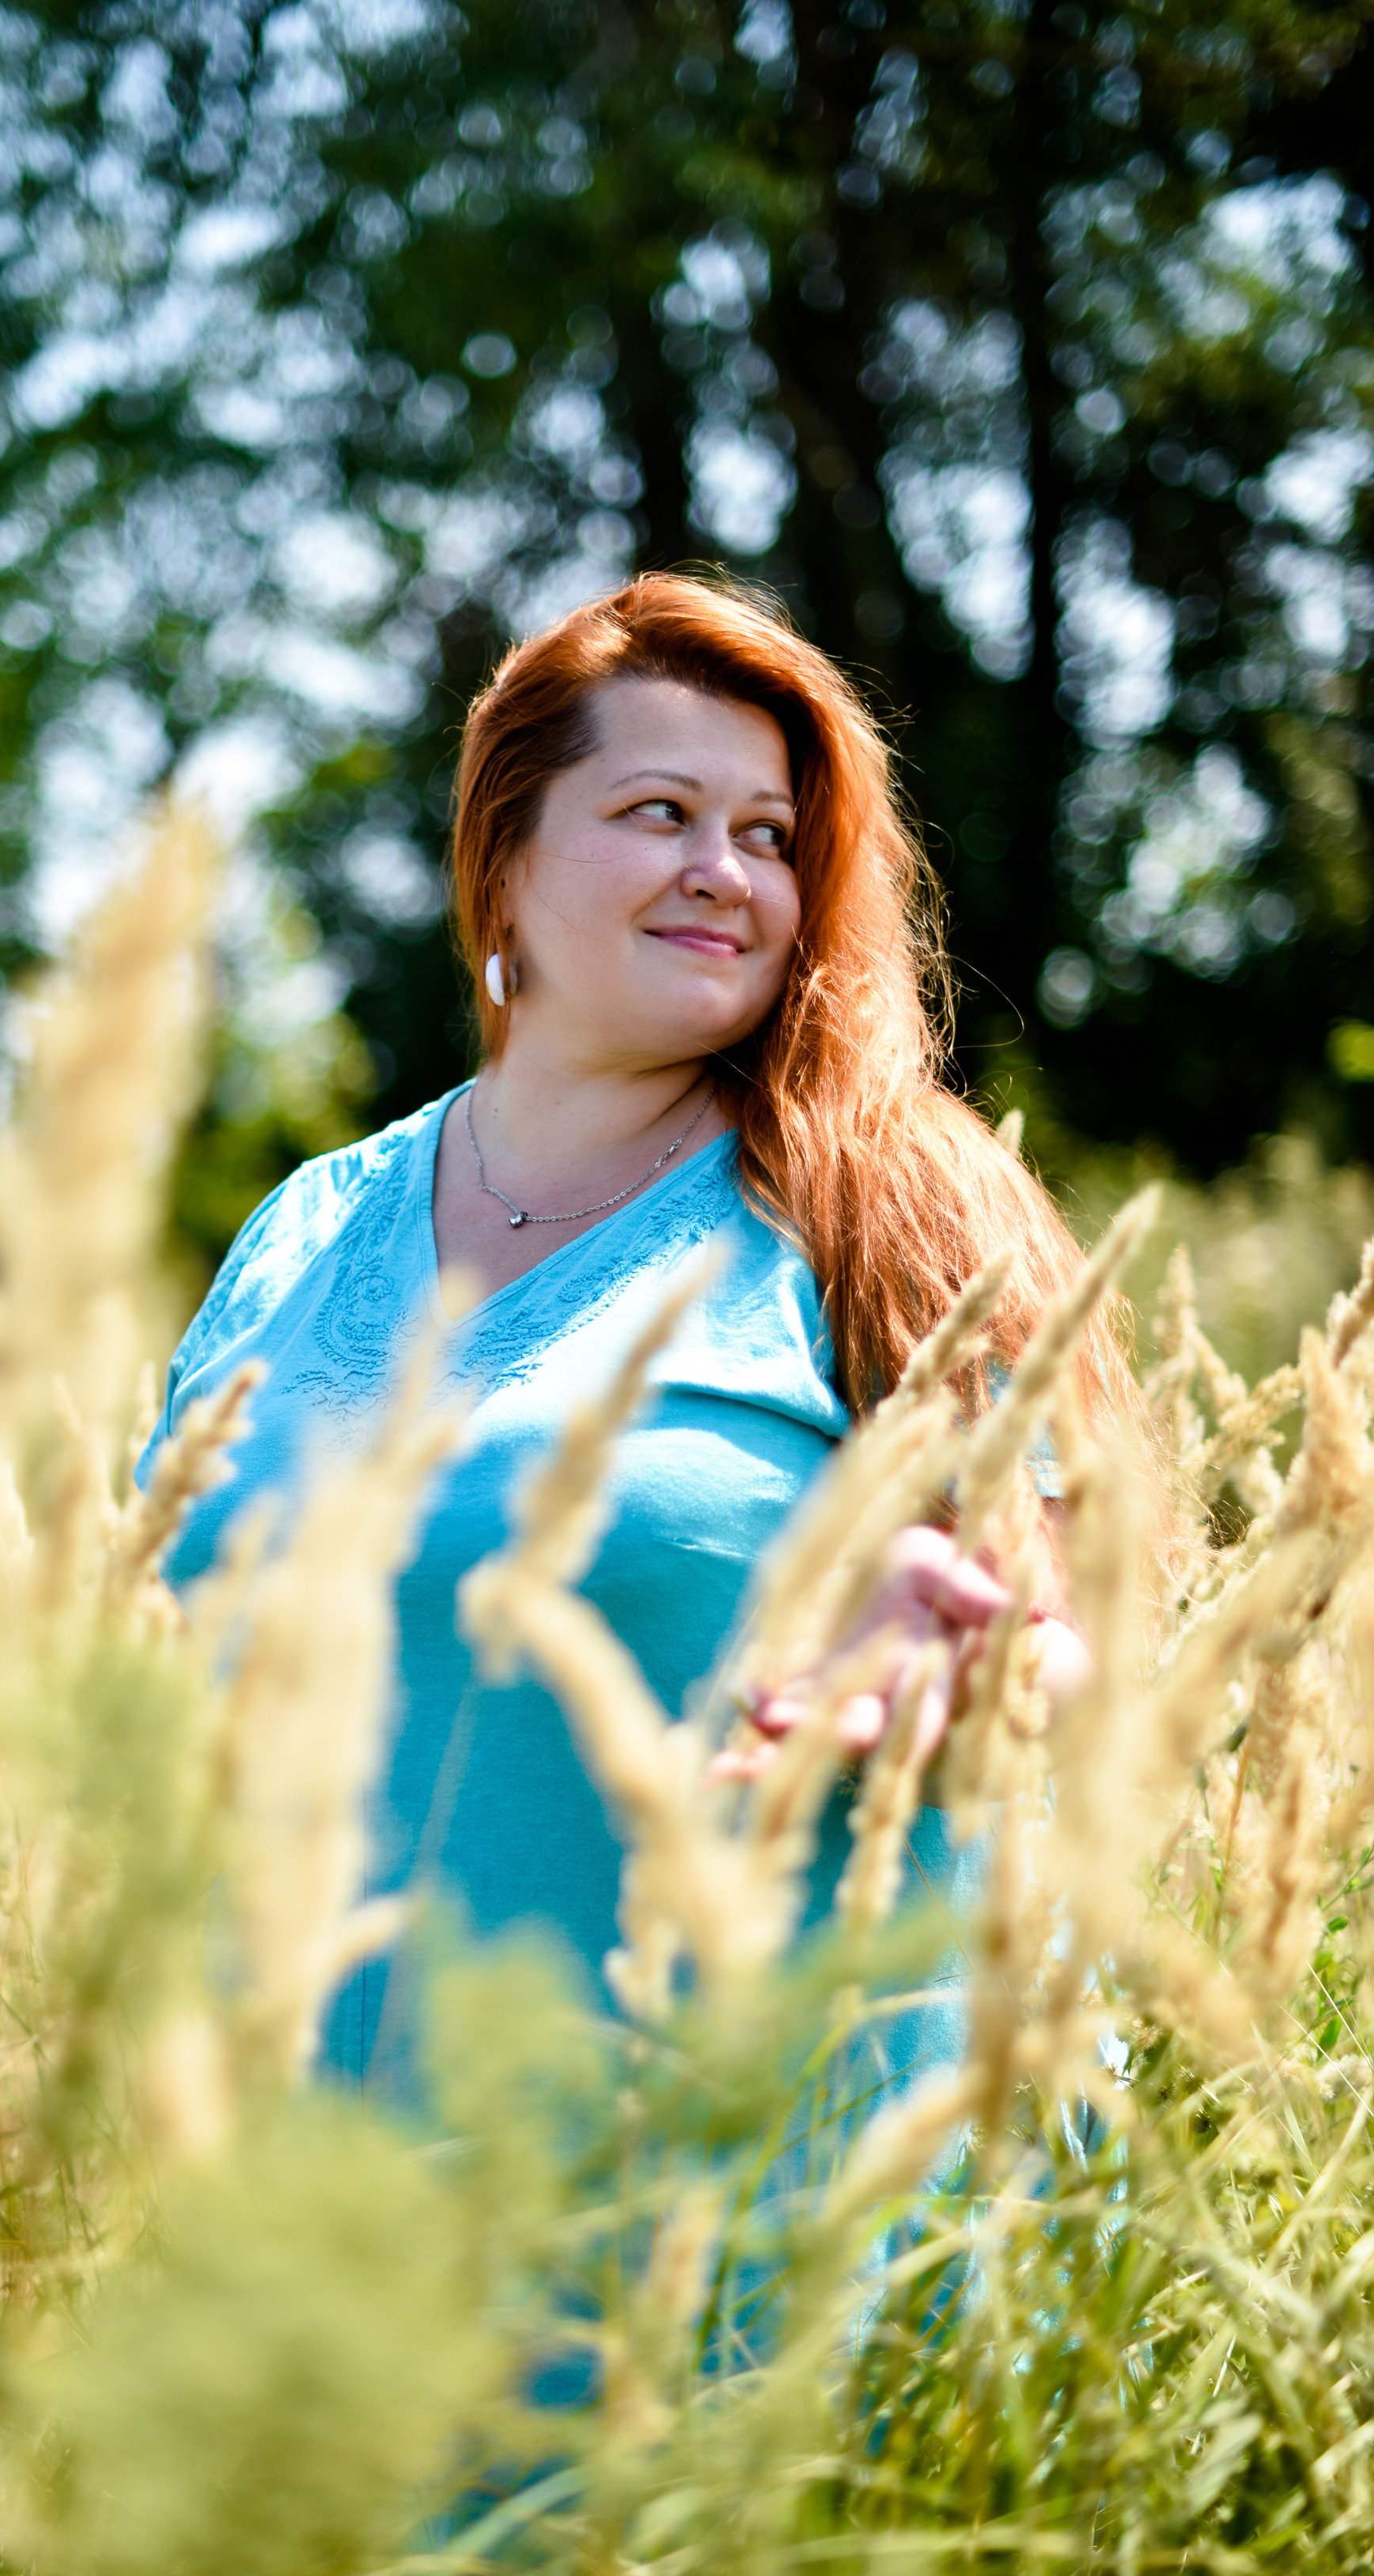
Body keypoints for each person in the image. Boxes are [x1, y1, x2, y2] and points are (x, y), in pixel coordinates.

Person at [145, 575, 1128, 2089]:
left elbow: (1073, 1664)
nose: (724, 873)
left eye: (769, 836)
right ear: (505, 856)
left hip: (754, 2166)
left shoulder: (889, 1198)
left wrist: (949, 1669)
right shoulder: (306, 1225)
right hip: (322, 2181)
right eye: (661, 813)